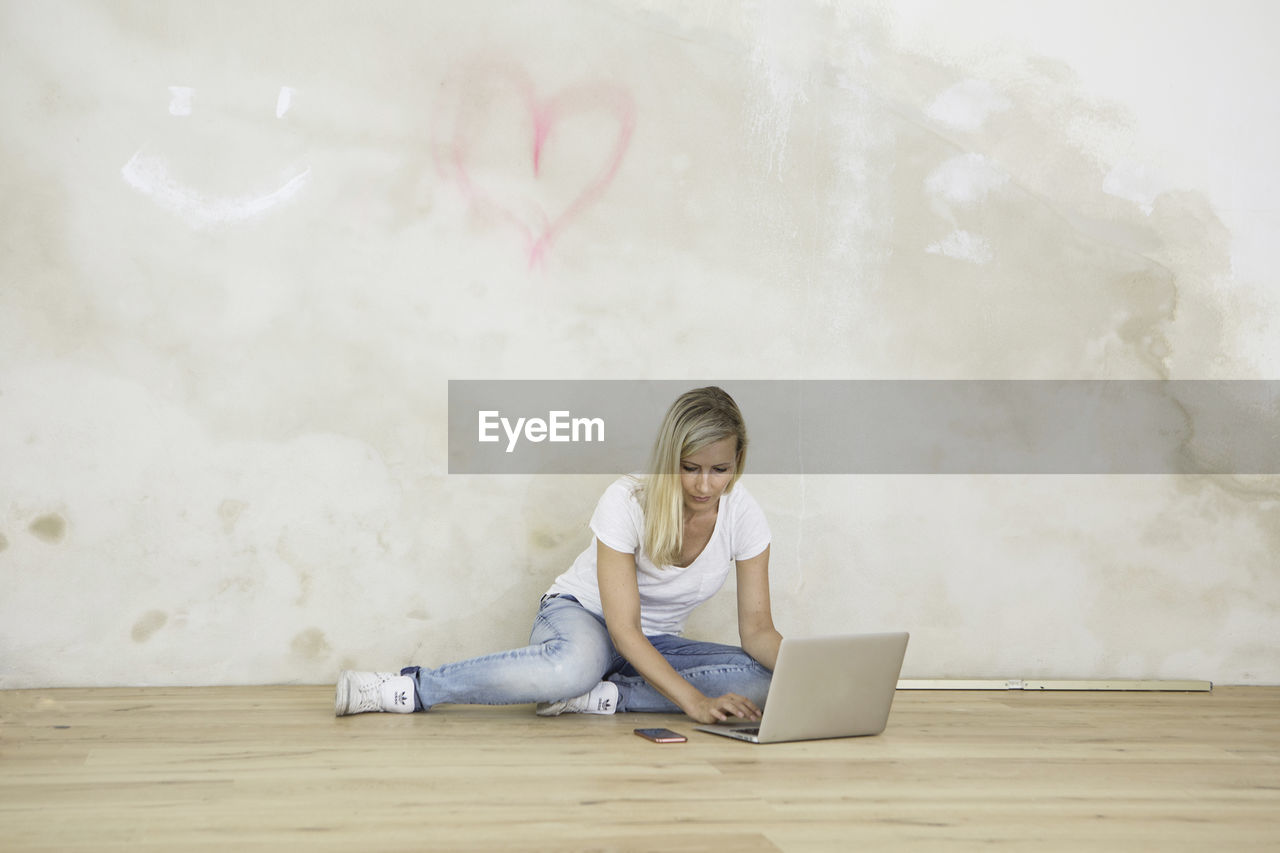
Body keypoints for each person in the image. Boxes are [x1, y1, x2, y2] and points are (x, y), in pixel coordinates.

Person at [335, 386, 781, 724]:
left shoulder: (744, 515)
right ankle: (411, 687)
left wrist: (824, 678)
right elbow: (623, 630)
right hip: (583, 619)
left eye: (719, 470)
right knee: (573, 667)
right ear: (670, 459)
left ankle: (607, 697)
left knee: (763, 681)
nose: (704, 486)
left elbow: (759, 631)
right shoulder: (626, 499)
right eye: (690, 469)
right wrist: (695, 703)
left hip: (656, 641)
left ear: (737, 462)